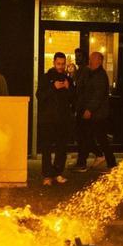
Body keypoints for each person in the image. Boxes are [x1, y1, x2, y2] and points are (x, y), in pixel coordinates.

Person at [37, 52, 75, 186]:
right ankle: (47, 175)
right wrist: (53, 87)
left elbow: (73, 99)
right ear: (54, 63)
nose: (61, 66)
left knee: (61, 147)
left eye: (63, 64)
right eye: (58, 64)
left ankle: (58, 172)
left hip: (63, 119)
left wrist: (68, 88)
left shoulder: (68, 79)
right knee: (46, 148)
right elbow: (39, 96)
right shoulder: (46, 78)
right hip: (48, 119)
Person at [74, 50, 116, 171]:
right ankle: (109, 161)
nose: (90, 61)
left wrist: (89, 110)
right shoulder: (92, 73)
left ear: (99, 61)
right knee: (97, 138)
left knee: (88, 137)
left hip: (97, 114)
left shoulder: (100, 76)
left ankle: (82, 163)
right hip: (95, 113)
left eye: (92, 59)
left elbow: (97, 95)